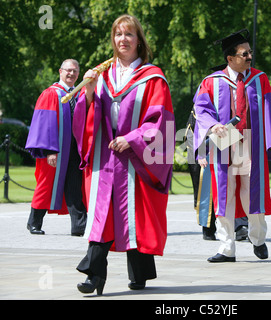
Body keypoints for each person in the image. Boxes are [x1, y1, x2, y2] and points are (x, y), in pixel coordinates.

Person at [72, 14, 174, 295]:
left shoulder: (153, 78)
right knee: (102, 215)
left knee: (136, 216)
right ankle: (94, 275)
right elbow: (87, 117)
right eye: (118, 34)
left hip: (137, 160)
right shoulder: (102, 76)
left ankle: (140, 273)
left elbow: (160, 120)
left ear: (139, 40)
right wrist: (90, 92)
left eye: (129, 34)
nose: (123, 39)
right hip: (106, 159)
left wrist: (132, 139)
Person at [193, 29, 271, 262]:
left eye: (250, 52)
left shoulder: (259, 79)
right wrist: (213, 126)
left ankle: (258, 239)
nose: (249, 57)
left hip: (250, 144)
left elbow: (269, 111)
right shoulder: (211, 82)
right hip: (224, 143)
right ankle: (226, 248)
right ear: (230, 58)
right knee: (224, 196)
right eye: (245, 54)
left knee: (251, 193)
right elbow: (201, 111)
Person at [25, 59, 87, 236]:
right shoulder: (51, 94)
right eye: (68, 70)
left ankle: (79, 226)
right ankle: (34, 222)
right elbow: (46, 124)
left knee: (75, 187)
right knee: (46, 185)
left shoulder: (78, 94)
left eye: (75, 71)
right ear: (60, 71)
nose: (72, 74)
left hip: (75, 150)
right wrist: (50, 150)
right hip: (56, 150)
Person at [185, 106, 249, 241]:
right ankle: (208, 225)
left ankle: (240, 224)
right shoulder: (206, 87)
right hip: (210, 132)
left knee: (237, 179)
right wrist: (201, 148)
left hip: (232, 129)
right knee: (207, 184)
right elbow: (198, 114)